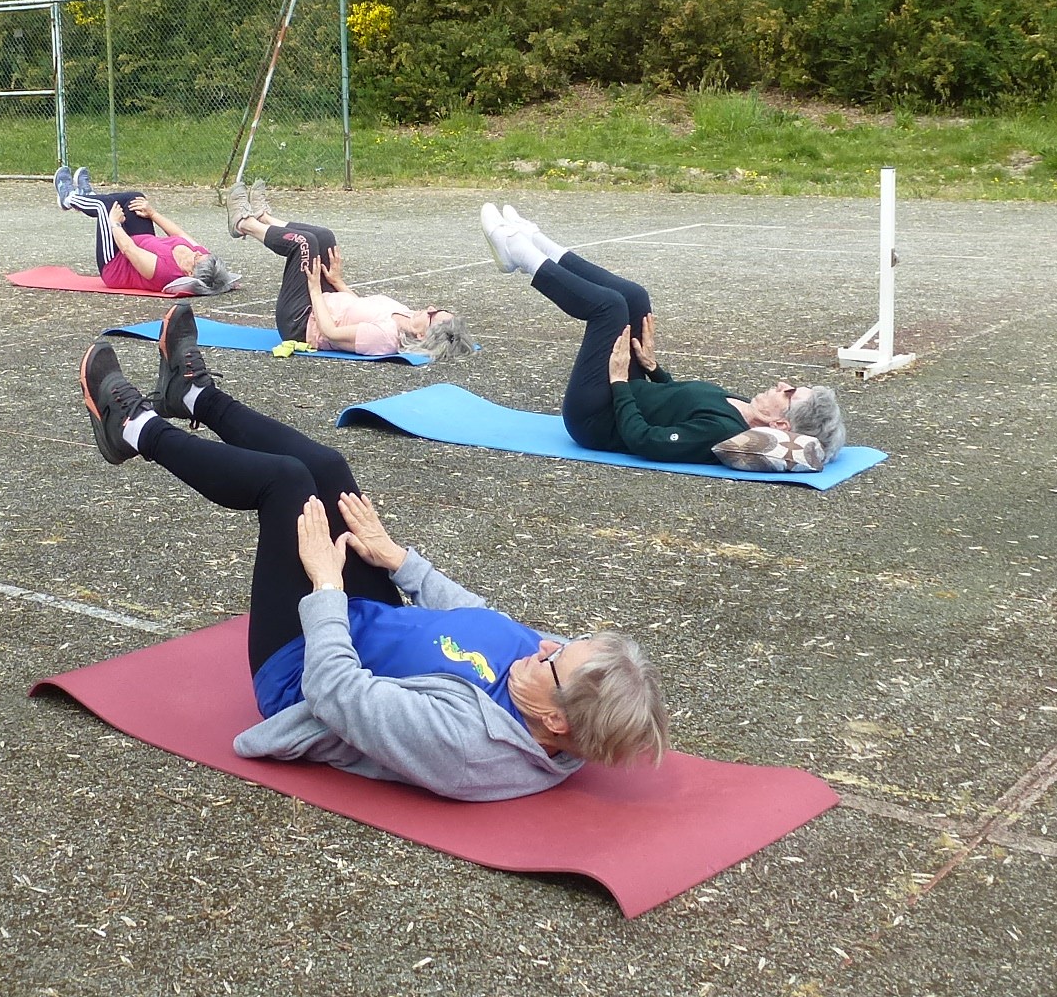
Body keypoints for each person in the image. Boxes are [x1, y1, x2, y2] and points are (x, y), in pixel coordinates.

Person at [77, 306, 670, 798]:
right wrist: (399, 561)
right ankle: (195, 396)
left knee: (284, 484)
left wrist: (326, 587)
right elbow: (482, 622)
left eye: (553, 660)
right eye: (559, 646)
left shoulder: (467, 746)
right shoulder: (544, 679)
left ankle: (132, 428)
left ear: (557, 721)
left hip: (302, 665)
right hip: (371, 614)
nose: (545, 646)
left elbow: (339, 695)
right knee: (329, 468)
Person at [478, 203, 848, 473]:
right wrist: (653, 369)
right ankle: (538, 243)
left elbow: (646, 440)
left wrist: (621, 381)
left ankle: (521, 253)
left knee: (608, 308)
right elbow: (677, 404)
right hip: (628, 391)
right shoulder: (741, 407)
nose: (782, 383)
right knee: (636, 299)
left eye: (789, 392)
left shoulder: (724, 432)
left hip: (596, 418)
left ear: (781, 425)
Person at [228, 182, 470, 361]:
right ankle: (265, 218)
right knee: (324, 237)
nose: (429, 307)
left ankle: (244, 224)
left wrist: (314, 289)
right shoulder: (407, 316)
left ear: (421, 335)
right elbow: (359, 309)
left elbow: (331, 332)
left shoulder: (385, 338)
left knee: (304, 244)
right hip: (323, 302)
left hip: (302, 321)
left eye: (433, 314)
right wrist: (338, 281)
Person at [56, 166, 237, 295]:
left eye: (197, 258)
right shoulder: (203, 256)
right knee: (136, 199)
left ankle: (69, 198)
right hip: (140, 240)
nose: (198, 252)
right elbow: (180, 235)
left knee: (106, 207)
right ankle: (89, 198)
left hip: (116, 262)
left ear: (190, 274)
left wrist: (114, 224)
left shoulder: (165, 272)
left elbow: (128, 249)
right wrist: (153, 213)